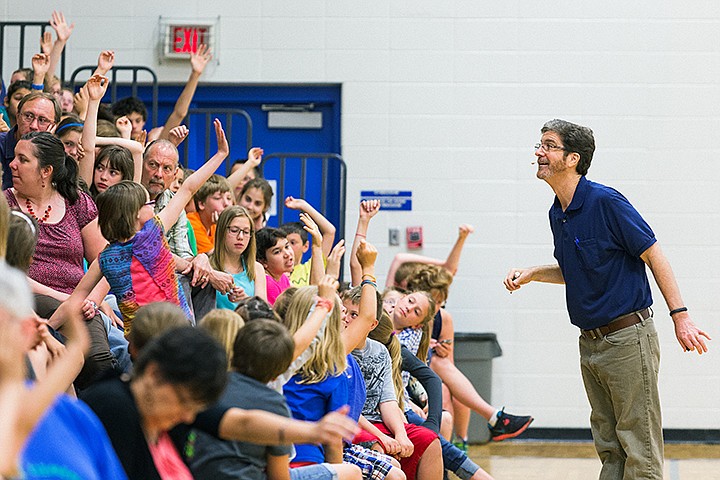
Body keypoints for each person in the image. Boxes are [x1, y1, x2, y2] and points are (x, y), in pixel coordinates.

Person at [503, 119, 711, 480]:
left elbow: (655, 254)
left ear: (572, 158)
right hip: (591, 342)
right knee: (610, 447)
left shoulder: (605, 202)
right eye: (540, 144)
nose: (538, 152)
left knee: (639, 447)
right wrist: (535, 273)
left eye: (548, 145)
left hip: (628, 340)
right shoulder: (558, 213)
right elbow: (581, 268)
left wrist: (681, 316)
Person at [54, 118, 230, 334]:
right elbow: (188, 188)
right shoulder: (152, 234)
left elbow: (76, 300)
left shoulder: (105, 258)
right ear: (135, 214)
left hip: (141, 344)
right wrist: (220, 154)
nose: (152, 206)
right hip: (176, 334)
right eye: (147, 203)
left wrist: (46, 327)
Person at [210, 205, 267, 309]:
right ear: (221, 231)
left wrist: (246, 300)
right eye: (234, 230)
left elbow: (263, 311)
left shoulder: (256, 268)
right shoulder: (207, 267)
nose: (240, 237)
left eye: (246, 232)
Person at [1, 91, 60, 189]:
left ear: (54, 126)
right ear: (18, 116)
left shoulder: (58, 155)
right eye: (28, 116)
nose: (33, 126)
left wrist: (46, 149)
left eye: (42, 120)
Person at [187, 174, 234, 254]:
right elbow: (216, 257)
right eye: (217, 198)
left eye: (229, 198)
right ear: (201, 204)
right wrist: (223, 228)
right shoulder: (192, 223)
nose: (226, 203)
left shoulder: (214, 225)